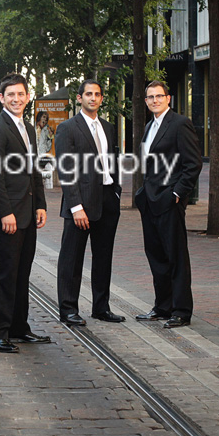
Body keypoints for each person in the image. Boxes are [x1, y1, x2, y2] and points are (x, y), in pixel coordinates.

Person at [0, 73, 50, 353]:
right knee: (4, 274)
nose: (16, 99)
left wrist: (41, 204)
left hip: (27, 213)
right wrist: (5, 212)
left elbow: (33, 169)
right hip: (7, 217)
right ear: (2, 98)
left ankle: (19, 328)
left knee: (22, 274)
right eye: (11, 95)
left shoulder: (27, 128)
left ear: (27, 96)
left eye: (21, 94)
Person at [55, 80, 124, 325]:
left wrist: (116, 190)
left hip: (107, 199)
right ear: (79, 98)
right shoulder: (67, 128)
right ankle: (68, 309)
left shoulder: (108, 127)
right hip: (80, 203)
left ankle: (101, 307)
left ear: (102, 98)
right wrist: (76, 206)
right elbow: (66, 169)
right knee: (71, 258)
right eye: (88, 94)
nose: (93, 98)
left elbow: (112, 160)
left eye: (97, 94)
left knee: (103, 257)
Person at [135, 80, 202, 328]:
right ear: (145, 101)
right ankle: (162, 306)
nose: (155, 100)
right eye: (150, 97)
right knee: (156, 256)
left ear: (168, 98)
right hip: (150, 201)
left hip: (168, 201)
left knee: (176, 257)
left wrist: (177, 194)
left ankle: (181, 310)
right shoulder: (148, 127)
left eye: (159, 96)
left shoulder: (179, 124)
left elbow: (193, 163)